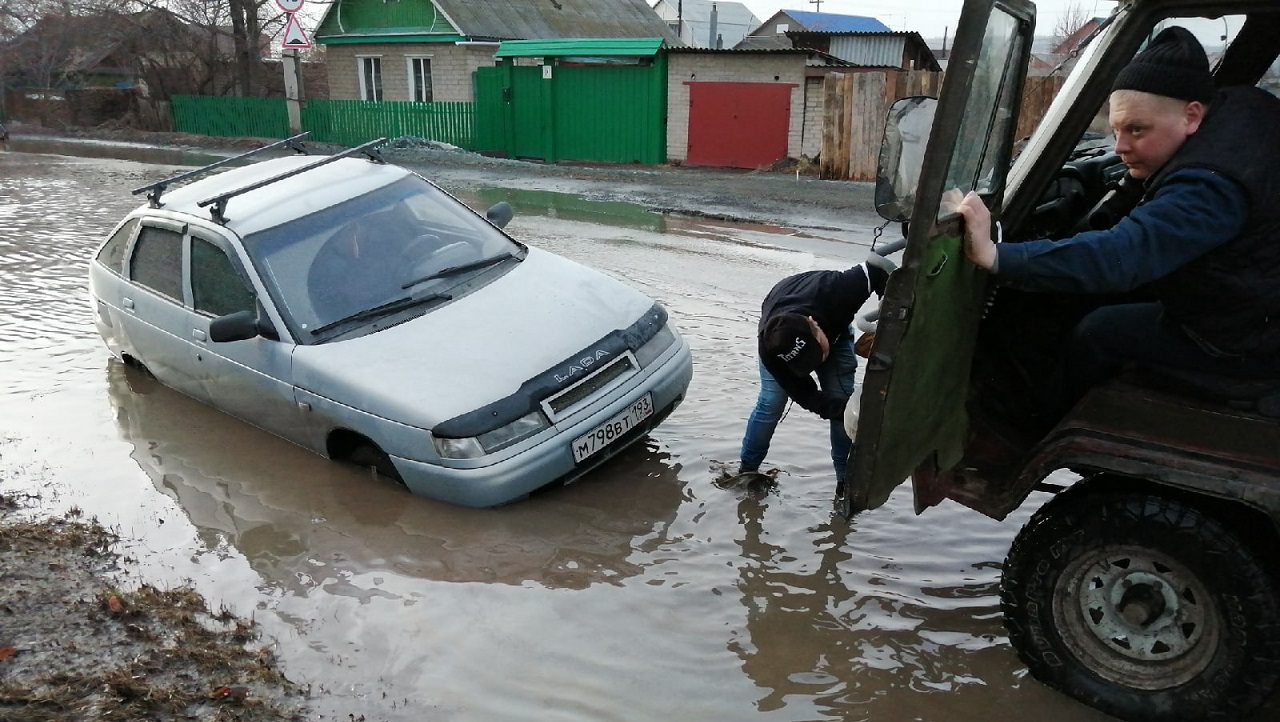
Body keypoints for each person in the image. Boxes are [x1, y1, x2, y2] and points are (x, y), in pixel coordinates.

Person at [955, 26, 1280, 415]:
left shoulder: (1208, 185)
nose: (1121, 147)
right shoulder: (1240, 106)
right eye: (1116, 130)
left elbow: (1123, 255)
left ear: (1192, 115)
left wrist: (998, 257)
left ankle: (1038, 426)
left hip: (1245, 340)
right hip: (1249, 295)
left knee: (1099, 333)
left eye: (1137, 130)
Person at [737, 255, 890, 482]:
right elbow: (808, 397)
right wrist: (847, 412)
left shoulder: (839, 288)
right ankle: (746, 471)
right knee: (771, 403)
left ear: (814, 324)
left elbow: (878, 270)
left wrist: (886, 319)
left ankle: (845, 482)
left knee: (844, 402)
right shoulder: (770, 352)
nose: (816, 365)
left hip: (829, 315)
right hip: (782, 319)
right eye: (805, 364)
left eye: (816, 356)